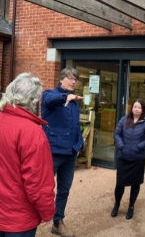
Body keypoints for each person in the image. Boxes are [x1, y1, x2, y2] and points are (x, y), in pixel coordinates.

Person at [0, 73, 55, 237]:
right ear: (34, 100)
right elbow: (37, 181)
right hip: (18, 219)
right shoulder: (32, 132)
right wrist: (47, 211)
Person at [41, 68, 84, 237]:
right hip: (53, 151)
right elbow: (50, 100)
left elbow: (75, 126)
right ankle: (30, 221)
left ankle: (57, 223)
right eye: (70, 78)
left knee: (64, 189)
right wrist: (66, 97)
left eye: (76, 79)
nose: (73, 82)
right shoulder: (49, 95)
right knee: (43, 188)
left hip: (70, 152)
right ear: (61, 80)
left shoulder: (74, 101)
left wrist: (79, 143)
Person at [111, 98, 145, 219]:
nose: (136, 109)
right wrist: (121, 145)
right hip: (123, 156)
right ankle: (117, 204)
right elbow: (117, 133)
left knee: (135, 183)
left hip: (138, 158)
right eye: (135, 106)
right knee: (120, 184)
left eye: (139, 107)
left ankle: (131, 206)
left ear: (143, 110)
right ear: (132, 108)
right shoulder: (124, 119)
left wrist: (139, 146)